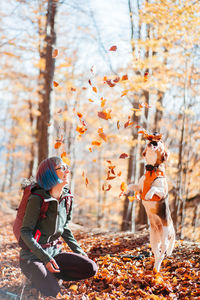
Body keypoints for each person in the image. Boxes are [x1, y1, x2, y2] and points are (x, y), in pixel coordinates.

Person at [19, 156, 98, 298]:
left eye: (67, 167)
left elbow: (65, 228)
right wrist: (45, 258)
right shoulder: (37, 198)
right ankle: (40, 277)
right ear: (49, 173)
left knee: (91, 267)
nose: (67, 171)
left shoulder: (67, 198)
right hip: (32, 257)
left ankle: (48, 276)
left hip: (55, 254)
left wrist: (79, 251)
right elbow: (25, 232)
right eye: (62, 168)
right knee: (56, 294)